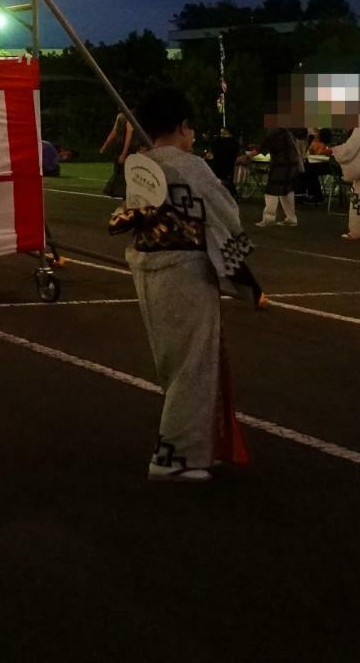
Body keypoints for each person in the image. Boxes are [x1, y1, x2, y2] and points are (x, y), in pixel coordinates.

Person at [109, 87, 259, 482]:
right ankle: (176, 455)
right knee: (194, 363)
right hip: (186, 269)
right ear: (182, 126)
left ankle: (184, 448)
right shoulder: (190, 166)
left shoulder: (141, 166)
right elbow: (226, 212)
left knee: (172, 360)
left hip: (147, 264)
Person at [257, 125, 304, 227]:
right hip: (292, 163)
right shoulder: (287, 131)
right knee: (287, 191)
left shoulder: (275, 131)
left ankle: (269, 219)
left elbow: (264, 146)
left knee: (271, 190)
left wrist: (248, 155)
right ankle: (291, 218)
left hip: (280, 164)